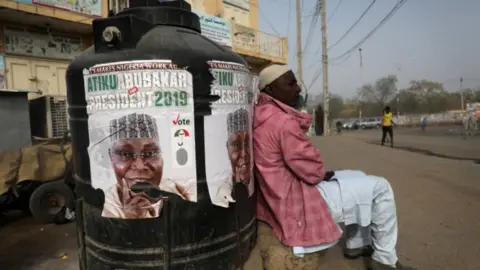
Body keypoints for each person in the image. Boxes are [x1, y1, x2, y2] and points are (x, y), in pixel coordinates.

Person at [253, 64, 415, 270]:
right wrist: (318, 167)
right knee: (381, 188)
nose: (298, 89)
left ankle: (356, 244)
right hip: (295, 199)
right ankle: (384, 260)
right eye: (290, 83)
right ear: (270, 90)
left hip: (278, 192)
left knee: (358, 175)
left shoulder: (261, 114)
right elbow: (313, 171)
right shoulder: (283, 122)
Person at [102, 113, 189, 219]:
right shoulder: (105, 205)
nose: (139, 166)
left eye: (150, 153)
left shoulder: (176, 190)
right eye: (125, 154)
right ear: (111, 158)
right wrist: (132, 220)